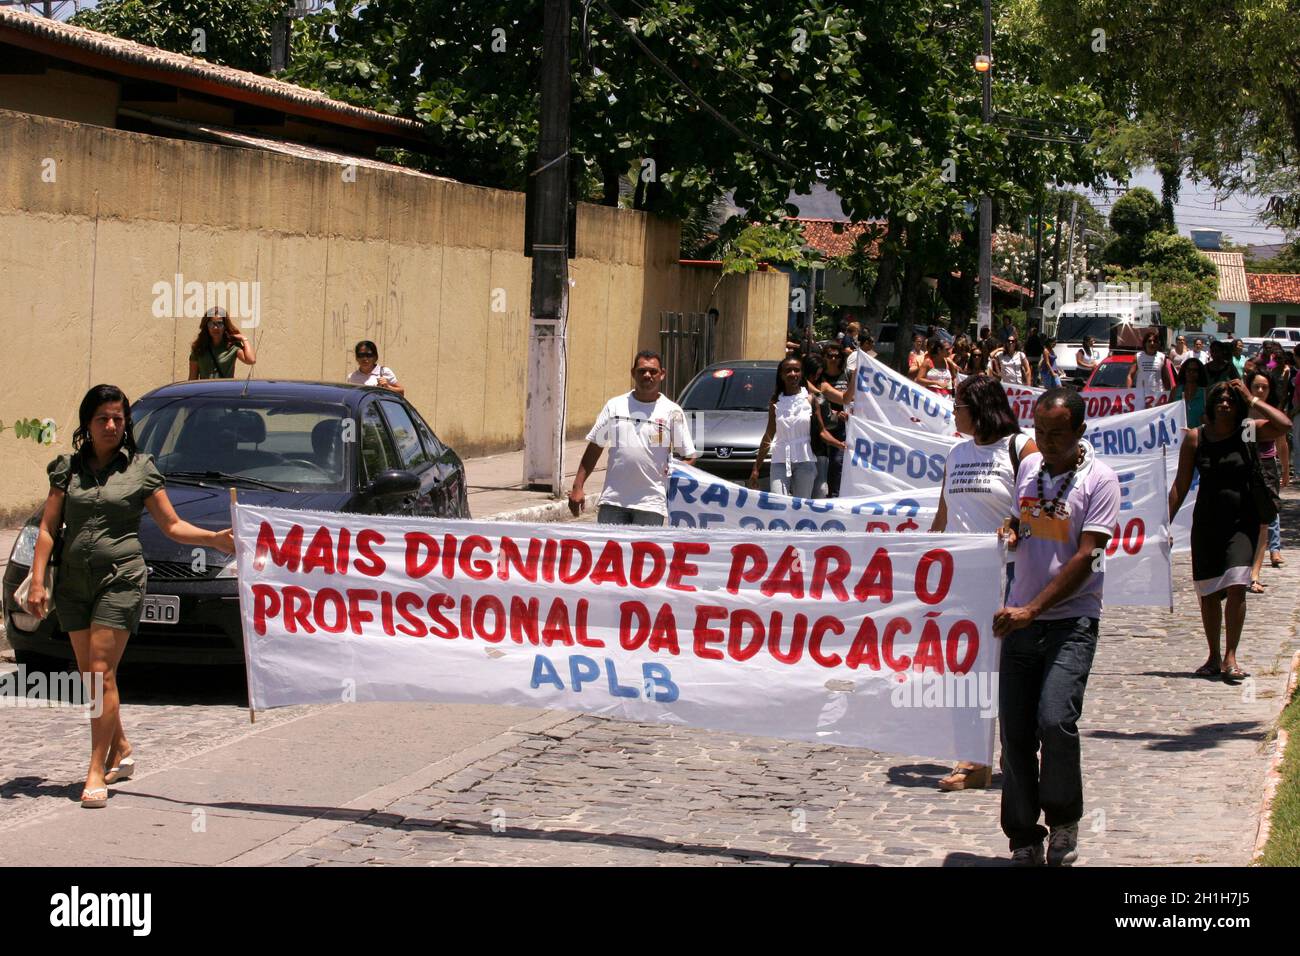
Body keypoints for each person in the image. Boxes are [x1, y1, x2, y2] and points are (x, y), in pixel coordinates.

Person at [23, 385, 234, 809]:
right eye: (103, 418)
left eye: (118, 419)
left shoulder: (140, 469)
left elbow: (172, 526)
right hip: (73, 585)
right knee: (91, 678)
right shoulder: (67, 469)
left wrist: (214, 538)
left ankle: (96, 770)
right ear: (87, 422)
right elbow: (48, 528)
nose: (111, 425)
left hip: (120, 579)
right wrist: (38, 578)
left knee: (100, 673)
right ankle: (120, 746)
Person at [995, 388, 1120, 866]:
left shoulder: (1101, 481)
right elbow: (1026, 518)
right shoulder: (1030, 468)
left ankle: (1064, 822)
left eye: (1056, 434)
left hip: (1070, 621)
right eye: (1039, 432)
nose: (1045, 442)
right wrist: (1011, 528)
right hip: (1019, 621)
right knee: (1017, 733)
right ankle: (1023, 835)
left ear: (1080, 432)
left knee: (1055, 719)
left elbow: (1090, 556)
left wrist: (1034, 608)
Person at [930, 374, 1036, 792]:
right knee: (964, 670)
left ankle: (1014, 752)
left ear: (980, 407)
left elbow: (1039, 506)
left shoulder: (1020, 448)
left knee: (1007, 669)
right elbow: (943, 517)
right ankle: (973, 759)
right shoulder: (955, 453)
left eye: (959, 405)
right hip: (961, 578)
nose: (954, 412)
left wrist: (1015, 525)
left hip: (1010, 575)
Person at [1169, 379, 1291, 682]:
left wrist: (1252, 400)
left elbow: (1283, 425)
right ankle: (1212, 655)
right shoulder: (1196, 439)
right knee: (1209, 592)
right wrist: (1163, 523)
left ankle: (1231, 656)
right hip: (1208, 523)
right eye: (1220, 399)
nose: (1225, 403)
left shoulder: (1248, 431)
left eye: (1231, 400)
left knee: (1237, 584)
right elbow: (1180, 486)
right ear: (1211, 405)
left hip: (1243, 522)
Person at [569, 350, 697, 525]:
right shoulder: (615, 406)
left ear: (662, 374)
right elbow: (595, 447)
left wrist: (674, 472)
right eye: (642, 371)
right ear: (633, 373)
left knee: (645, 553)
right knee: (609, 552)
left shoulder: (672, 412)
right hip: (613, 502)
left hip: (651, 505)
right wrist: (578, 487)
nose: (647, 375)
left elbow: (689, 455)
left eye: (653, 371)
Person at [751, 354, 822, 497]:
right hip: (780, 460)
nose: (793, 374)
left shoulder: (810, 400)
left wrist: (843, 444)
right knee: (779, 503)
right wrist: (756, 468)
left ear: (801, 374)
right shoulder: (776, 402)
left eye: (797, 370)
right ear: (781, 375)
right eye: (788, 370)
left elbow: (822, 431)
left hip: (805, 460)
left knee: (801, 506)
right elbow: (769, 434)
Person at [1245, 370, 1286, 582]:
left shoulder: (1273, 413)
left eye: (1265, 387)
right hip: (1246, 466)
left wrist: (1285, 470)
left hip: (1268, 466)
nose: (1260, 391)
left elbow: (1282, 441)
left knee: (1268, 514)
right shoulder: (1242, 411)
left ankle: (1262, 564)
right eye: (1256, 387)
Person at [814, 342, 851, 496]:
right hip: (821, 426)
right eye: (830, 356)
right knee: (820, 465)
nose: (833, 359)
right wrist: (834, 412)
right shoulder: (819, 378)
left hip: (843, 428)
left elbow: (854, 398)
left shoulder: (847, 375)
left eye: (837, 356)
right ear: (824, 357)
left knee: (837, 463)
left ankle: (834, 495)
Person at [187, 307, 255, 380]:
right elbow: (192, 379)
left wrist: (244, 339)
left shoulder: (232, 347)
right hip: (205, 390)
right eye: (211, 324)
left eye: (220, 323)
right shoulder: (199, 349)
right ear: (206, 326)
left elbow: (251, 360)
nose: (215, 327)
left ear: (225, 326)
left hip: (224, 390)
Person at [1127, 330, 1174, 402]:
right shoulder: (1138, 356)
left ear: (1157, 344)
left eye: (1154, 341)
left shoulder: (1162, 357)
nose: (1152, 343)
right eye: (1149, 341)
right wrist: (1128, 392)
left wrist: (1169, 395)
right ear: (1145, 343)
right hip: (1141, 397)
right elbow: (1130, 375)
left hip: (1158, 396)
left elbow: (1165, 378)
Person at [1172, 357, 1207, 428]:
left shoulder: (1205, 393)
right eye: (1188, 370)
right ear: (1184, 371)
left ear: (1200, 373)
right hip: (1178, 436)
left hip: (1198, 436)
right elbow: (1168, 413)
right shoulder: (1175, 391)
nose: (1191, 372)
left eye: (1195, 370)